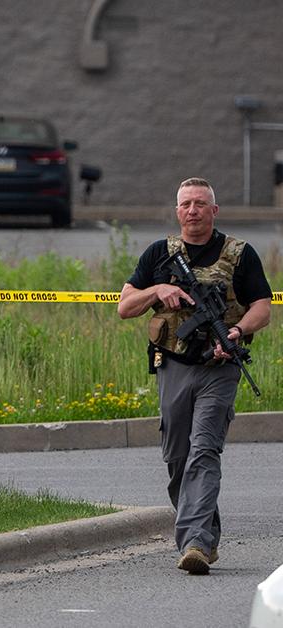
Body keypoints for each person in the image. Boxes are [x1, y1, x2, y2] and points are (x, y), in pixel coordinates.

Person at [118, 177, 271, 575]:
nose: (193, 211)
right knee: (177, 457)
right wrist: (158, 291)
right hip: (173, 365)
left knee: (204, 450)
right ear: (177, 211)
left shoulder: (239, 254)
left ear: (214, 210)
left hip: (219, 368)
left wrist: (235, 332)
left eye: (200, 203)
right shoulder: (159, 254)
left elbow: (263, 308)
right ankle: (205, 529)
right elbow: (125, 307)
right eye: (186, 204)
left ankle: (196, 543)